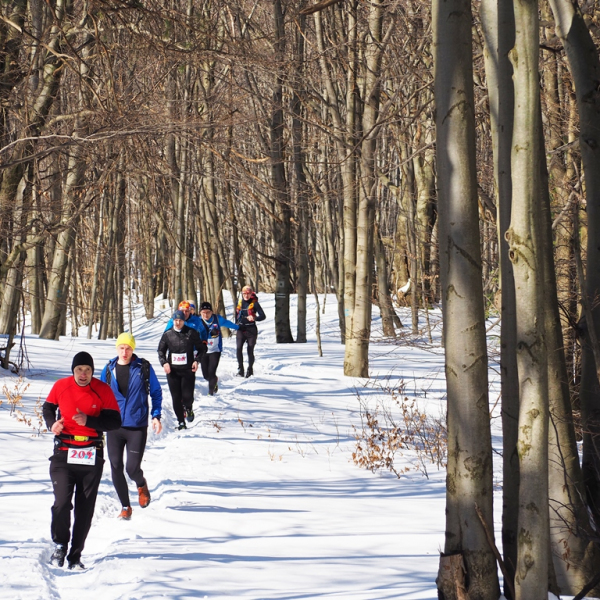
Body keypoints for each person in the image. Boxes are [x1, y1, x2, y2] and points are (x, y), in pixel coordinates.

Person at [43, 351, 121, 570]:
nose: (83, 374)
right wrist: (52, 424)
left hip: (91, 452)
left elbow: (115, 421)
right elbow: (48, 407)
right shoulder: (61, 386)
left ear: (92, 371)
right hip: (64, 451)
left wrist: (90, 421)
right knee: (61, 502)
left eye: (87, 370)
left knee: (84, 508)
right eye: (79, 369)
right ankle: (60, 545)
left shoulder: (102, 389)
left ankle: (75, 555)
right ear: (73, 371)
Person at [100, 332, 163, 521]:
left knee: (132, 468)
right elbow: (99, 395)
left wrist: (156, 416)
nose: (124, 351)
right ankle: (125, 506)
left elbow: (156, 392)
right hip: (114, 426)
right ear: (117, 348)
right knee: (115, 465)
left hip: (136, 425)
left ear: (132, 349)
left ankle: (141, 484)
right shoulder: (109, 369)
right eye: (121, 347)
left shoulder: (143, 367)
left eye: (128, 348)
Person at [158, 309, 206, 430]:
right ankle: (181, 422)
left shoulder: (191, 333)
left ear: (184, 321)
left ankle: (188, 407)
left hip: (188, 370)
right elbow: (161, 351)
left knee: (187, 396)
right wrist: (164, 363)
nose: (178, 323)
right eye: (175, 320)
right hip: (173, 371)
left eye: (180, 320)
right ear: (173, 321)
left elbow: (202, 349)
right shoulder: (167, 335)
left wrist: (197, 360)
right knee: (176, 397)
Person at [198, 301, 239, 395]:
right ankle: (214, 381)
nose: (206, 315)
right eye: (203, 312)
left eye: (208, 312)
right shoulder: (197, 321)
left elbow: (228, 324)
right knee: (206, 375)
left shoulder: (217, 319)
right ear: (200, 313)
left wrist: (239, 328)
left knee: (211, 372)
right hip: (203, 351)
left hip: (215, 350)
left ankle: (210, 393)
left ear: (212, 312)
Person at [235, 285, 266, 378]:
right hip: (241, 329)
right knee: (238, 348)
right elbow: (236, 315)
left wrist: (254, 318)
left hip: (251, 329)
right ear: (242, 293)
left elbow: (263, 316)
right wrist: (236, 325)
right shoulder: (238, 302)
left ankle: (250, 369)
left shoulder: (255, 303)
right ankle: (240, 369)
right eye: (244, 293)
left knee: (250, 350)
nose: (246, 295)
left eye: (248, 293)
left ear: (251, 294)